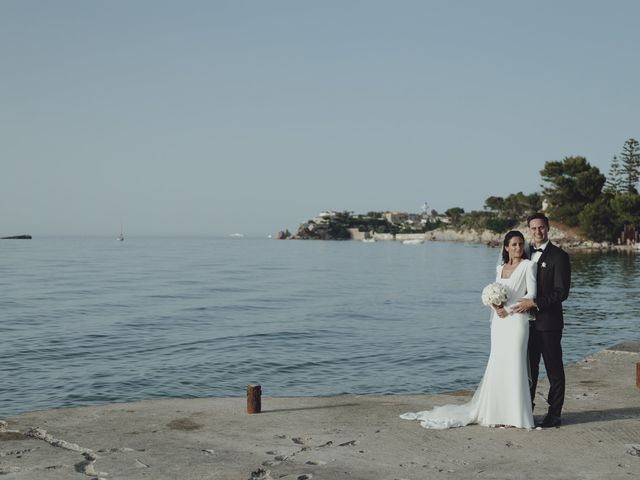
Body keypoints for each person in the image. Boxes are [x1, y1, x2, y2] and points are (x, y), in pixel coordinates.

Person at [400, 231, 536, 429]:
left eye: (520, 244)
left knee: (515, 364)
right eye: (514, 244)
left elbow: (531, 293)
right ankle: (495, 413)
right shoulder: (500, 268)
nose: (518, 248)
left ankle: (517, 416)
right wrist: (495, 306)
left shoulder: (528, 266)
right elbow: (494, 293)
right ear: (506, 247)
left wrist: (507, 309)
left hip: (516, 322)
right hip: (499, 323)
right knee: (498, 363)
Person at [513, 213, 571, 428]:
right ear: (529, 229)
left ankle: (554, 414)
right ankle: (527, 411)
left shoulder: (559, 256)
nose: (538, 232)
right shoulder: (524, 253)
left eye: (541, 228)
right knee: (529, 370)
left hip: (549, 324)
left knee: (554, 370)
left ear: (548, 229)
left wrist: (535, 303)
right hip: (525, 324)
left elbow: (561, 292)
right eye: (534, 228)